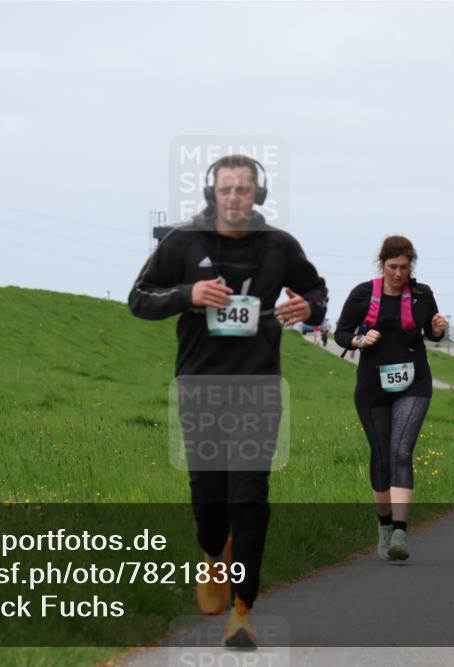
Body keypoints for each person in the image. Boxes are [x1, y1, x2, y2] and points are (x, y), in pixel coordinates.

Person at [128, 154, 327, 649]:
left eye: (244, 190)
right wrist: (188, 293)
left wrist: (311, 307)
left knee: (249, 496)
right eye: (227, 189)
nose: (235, 198)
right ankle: (214, 554)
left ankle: (242, 609)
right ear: (212, 195)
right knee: (208, 496)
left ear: (258, 196)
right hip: (200, 386)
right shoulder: (182, 243)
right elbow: (139, 299)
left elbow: (316, 290)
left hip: (258, 386)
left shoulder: (281, 246)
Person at [335, 235, 448, 562]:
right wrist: (359, 339)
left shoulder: (423, 294)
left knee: (401, 450)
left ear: (412, 265)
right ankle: (384, 526)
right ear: (381, 264)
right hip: (372, 385)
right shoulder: (362, 294)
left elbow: (430, 332)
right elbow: (340, 333)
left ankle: (400, 530)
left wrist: (438, 329)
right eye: (392, 267)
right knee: (381, 455)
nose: (399, 273)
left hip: (414, 382)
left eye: (404, 267)